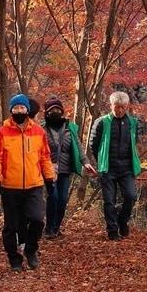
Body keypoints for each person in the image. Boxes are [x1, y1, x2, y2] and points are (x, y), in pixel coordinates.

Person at [0, 93, 55, 271]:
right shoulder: (2, 132)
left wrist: (49, 179)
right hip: (10, 186)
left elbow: (45, 157)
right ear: (11, 110)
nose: (19, 111)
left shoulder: (38, 131)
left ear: (27, 109)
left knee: (37, 220)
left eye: (22, 107)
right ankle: (14, 259)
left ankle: (31, 250)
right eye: (16, 108)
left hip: (34, 185)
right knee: (11, 226)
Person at [88, 91, 142, 240]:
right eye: (117, 107)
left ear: (127, 107)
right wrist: (101, 160)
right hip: (108, 168)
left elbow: (134, 141)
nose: (120, 110)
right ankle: (112, 231)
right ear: (111, 105)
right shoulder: (101, 122)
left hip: (127, 168)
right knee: (109, 201)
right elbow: (93, 144)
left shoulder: (133, 123)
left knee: (131, 196)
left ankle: (122, 222)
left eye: (123, 107)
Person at [41, 96, 82, 238]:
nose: (56, 112)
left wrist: (86, 162)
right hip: (49, 170)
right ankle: (49, 229)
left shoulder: (70, 128)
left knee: (63, 199)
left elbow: (78, 147)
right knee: (53, 197)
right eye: (52, 110)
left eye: (58, 110)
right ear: (47, 113)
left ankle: (56, 227)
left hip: (65, 170)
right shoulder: (42, 129)